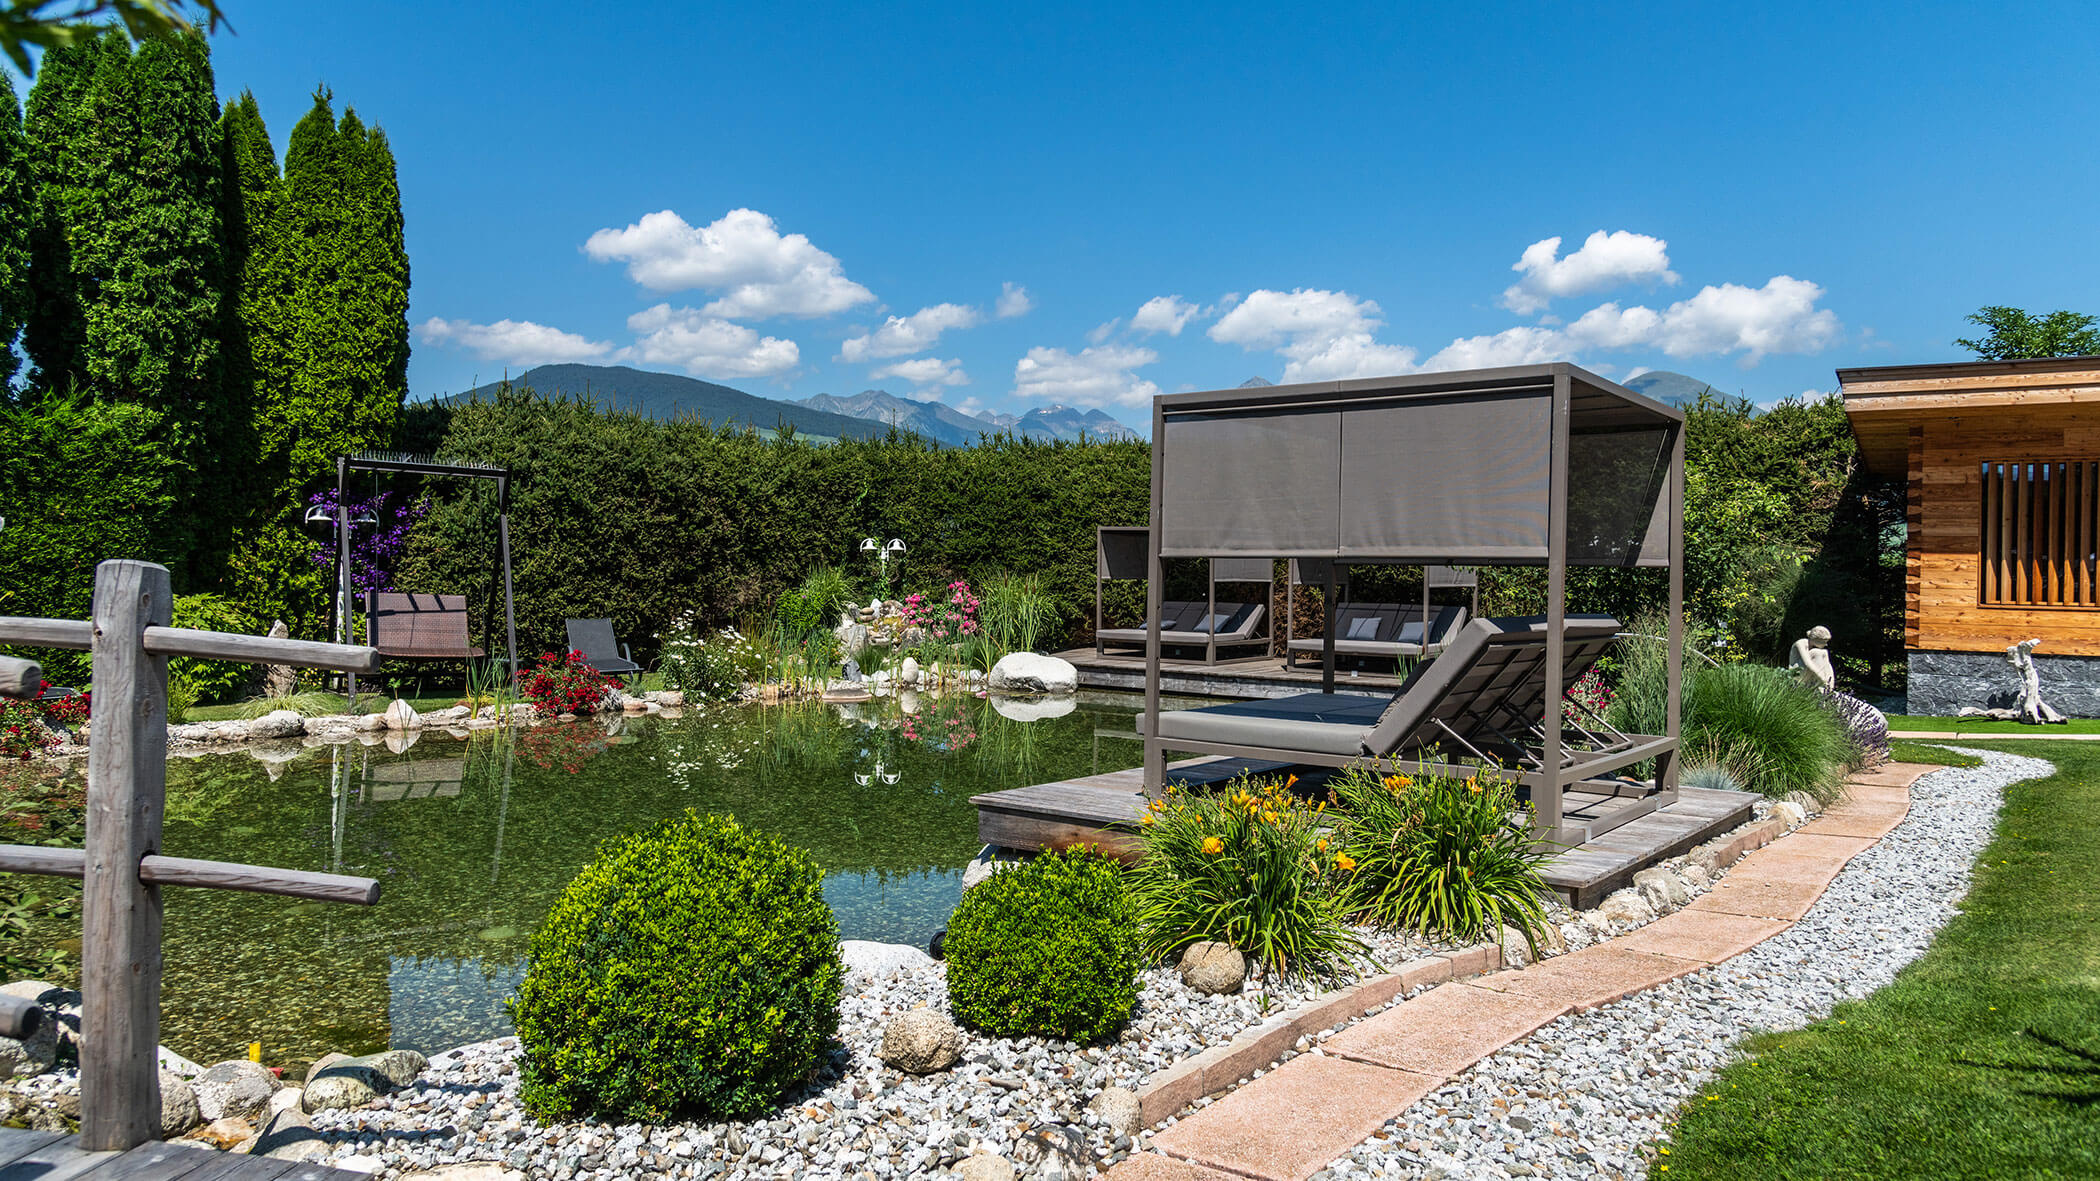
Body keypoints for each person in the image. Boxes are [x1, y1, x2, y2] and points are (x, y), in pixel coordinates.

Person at [1788, 626, 1835, 691]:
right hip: (1796, 673)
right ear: (1817, 640)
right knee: (1816, 653)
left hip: (1806, 672)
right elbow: (1807, 663)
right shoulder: (1801, 643)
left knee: (1824, 652)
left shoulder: (1821, 651)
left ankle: (1827, 688)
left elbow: (1828, 665)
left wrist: (1831, 681)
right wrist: (1822, 679)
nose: (1826, 644)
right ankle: (1820, 685)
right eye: (1824, 642)